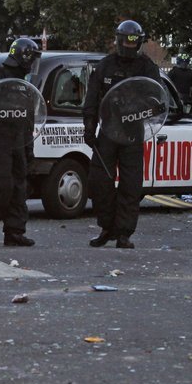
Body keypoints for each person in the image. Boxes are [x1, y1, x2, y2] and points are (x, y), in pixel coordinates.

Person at [82, 20, 161, 249]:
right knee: (99, 180)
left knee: (131, 184)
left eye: (134, 42)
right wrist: (89, 127)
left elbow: (157, 100)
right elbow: (92, 99)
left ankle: (124, 232)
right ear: (118, 41)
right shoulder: (105, 66)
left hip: (133, 132)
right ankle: (107, 227)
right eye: (126, 41)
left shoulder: (147, 67)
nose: (129, 46)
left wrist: (137, 106)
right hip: (108, 130)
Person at [0, 37, 41, 247]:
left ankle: (14, 231)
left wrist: (29, 147)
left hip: (19, 139)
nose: (33, 64)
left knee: (20, 186)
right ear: (24, 57)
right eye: (32, 59)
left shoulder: (24, 84)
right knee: (2, 184)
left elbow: (29, 118)